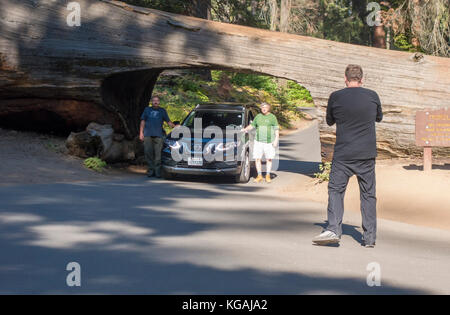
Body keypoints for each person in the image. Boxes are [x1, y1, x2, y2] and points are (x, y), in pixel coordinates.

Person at [312, 64, 383, 248]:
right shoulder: (372, 96)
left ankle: (334, 229)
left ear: (345, 78)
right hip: (366, 154)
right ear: (362, 79)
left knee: (336, 190)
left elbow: (329, 121)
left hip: (343, 154)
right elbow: (378, 118)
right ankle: (369, 239)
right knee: (368, 195)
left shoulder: (336, 97)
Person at [241, 102, 279, 183]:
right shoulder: (258, 117)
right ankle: (259, 175)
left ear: (268, 108)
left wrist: (276, 140)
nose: (264, 109)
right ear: (261, 108)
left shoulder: (272, 117)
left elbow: (276, 129)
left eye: (265, 107)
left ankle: (268, 175)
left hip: (269, 142)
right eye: (262, 107)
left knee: (269, 159)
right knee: (257, 159)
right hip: (258, 141)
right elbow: (252, 126)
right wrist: (244, 129)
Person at [139, 96, 176, 177]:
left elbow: (168, 122)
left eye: (157, 101)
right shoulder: (147, 110)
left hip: (158, 135)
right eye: (154, 100)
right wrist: (141, 133)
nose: (155, 102)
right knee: (148, 153)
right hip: (147, 134)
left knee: (158, 155)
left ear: (159, 102)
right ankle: (151, 171)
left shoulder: (162, 111)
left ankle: (157, 172)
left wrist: (176, 127)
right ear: (151, 101)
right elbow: (143, 121)